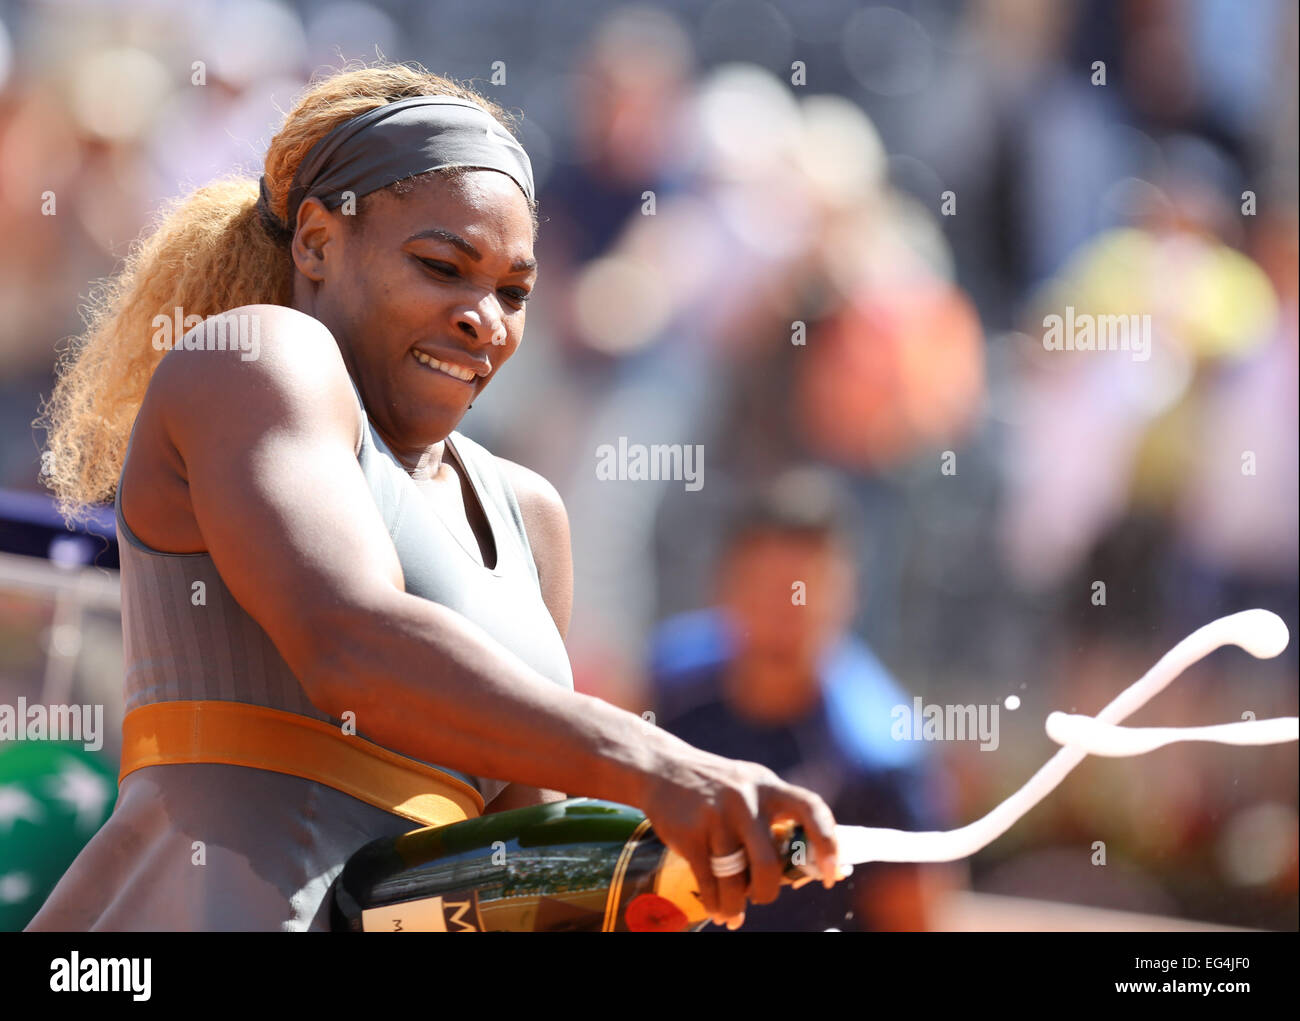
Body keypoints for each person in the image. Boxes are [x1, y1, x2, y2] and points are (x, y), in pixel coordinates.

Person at [27, 63, 844, 931]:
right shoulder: (256, 358)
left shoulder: (532, 515)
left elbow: (522, 861)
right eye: (442, 266)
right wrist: (658, 765)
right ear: (315, 241)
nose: (484, 318)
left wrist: (638, 881)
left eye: (515, 291)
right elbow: (350, 644)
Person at [651, 468, 954, 930]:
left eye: (803, 589)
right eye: (763, 585)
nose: (782, 610)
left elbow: (914, 918)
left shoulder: (880, 754)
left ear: (848, 594)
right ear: (725, 585)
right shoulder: (669, 684)